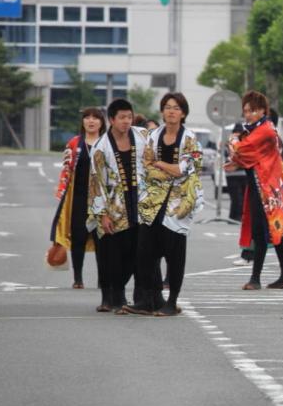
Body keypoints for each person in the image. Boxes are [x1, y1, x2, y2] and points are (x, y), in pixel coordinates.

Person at [128, 92, 204, 316]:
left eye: (176, 107)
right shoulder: (154, 135)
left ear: (183, 113)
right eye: (167, 107)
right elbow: (146, 165)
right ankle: (148, 299)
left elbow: (184, 169)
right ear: (162, 111)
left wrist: (161, 165)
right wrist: (167, 169)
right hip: (152, 199)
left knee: (174, 253)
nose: (171, 111)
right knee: (145, 251)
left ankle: (172, 301)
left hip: (179, 200)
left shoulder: (190, 138)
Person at [227, 91, 283, 291]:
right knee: (270, 230)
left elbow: (241, 151)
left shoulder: (264, 130)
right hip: (263, 186)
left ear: (263, 111)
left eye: (252, 110)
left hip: (266, 188)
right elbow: (245, 156)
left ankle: (257, 278)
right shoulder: (261, 129)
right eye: (246, 111)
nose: (248, 115)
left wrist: (233, 140)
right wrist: (237, 152)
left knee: (263, 231)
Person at [88, 98, 147, 313]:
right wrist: (102, 214)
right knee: (109, 256)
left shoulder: (142, 137)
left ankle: (125, 294)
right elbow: (96, 183)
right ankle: (109, 296)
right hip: (112, 208)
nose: (126, 122)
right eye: (122, 118)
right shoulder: (100, 147)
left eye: (129, 117)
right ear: (111, 120)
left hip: (139, 206)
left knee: (135, 254)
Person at [53, 107, 106, 291]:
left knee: (103, 240)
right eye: (87, 117)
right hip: (78, 198)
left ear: (102, 122)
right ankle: (78, 278)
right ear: (83, 121)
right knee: (78, 237)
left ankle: (103, 279)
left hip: (102, 199)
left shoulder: (107, 142)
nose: (91, 121)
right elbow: (66, 171)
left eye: (95, 118)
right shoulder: (74, 143)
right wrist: (62, 192)